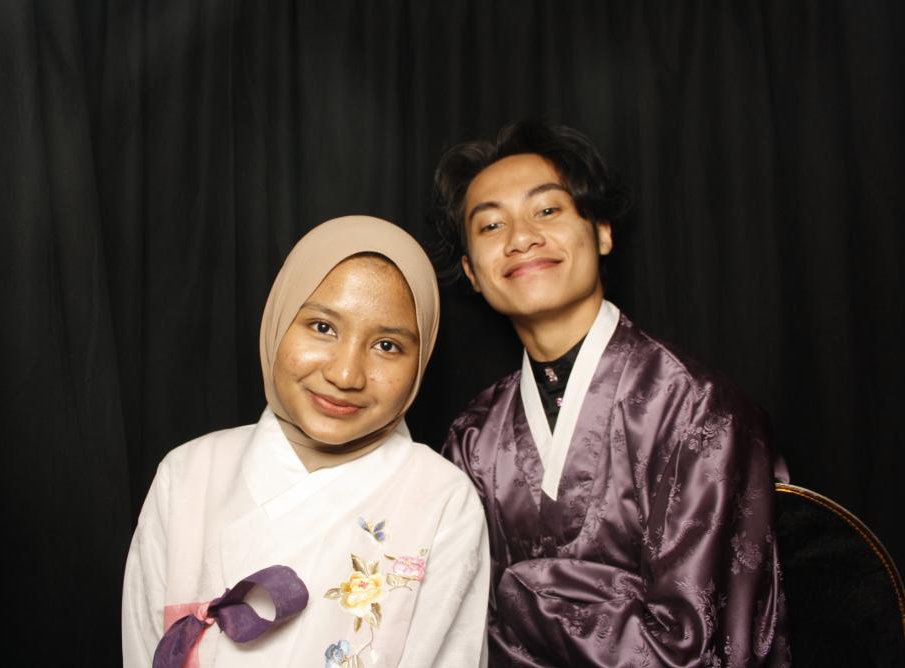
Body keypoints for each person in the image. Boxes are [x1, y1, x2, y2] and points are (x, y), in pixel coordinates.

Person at [430, 121, 790, 667]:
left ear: (601, 232)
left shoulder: (697, 408)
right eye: (491, 225)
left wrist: (520, 592)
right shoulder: (474, 437)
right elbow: (451, 634)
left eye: (546, 210)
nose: (521, 238)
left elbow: (694, 647)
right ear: (472, 273)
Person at [123, 216, 490, 667]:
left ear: (421, 361)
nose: (345, 374)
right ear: (278, 319)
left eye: (387, 346)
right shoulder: (188, 473)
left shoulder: (443, 499)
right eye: (322, 327)